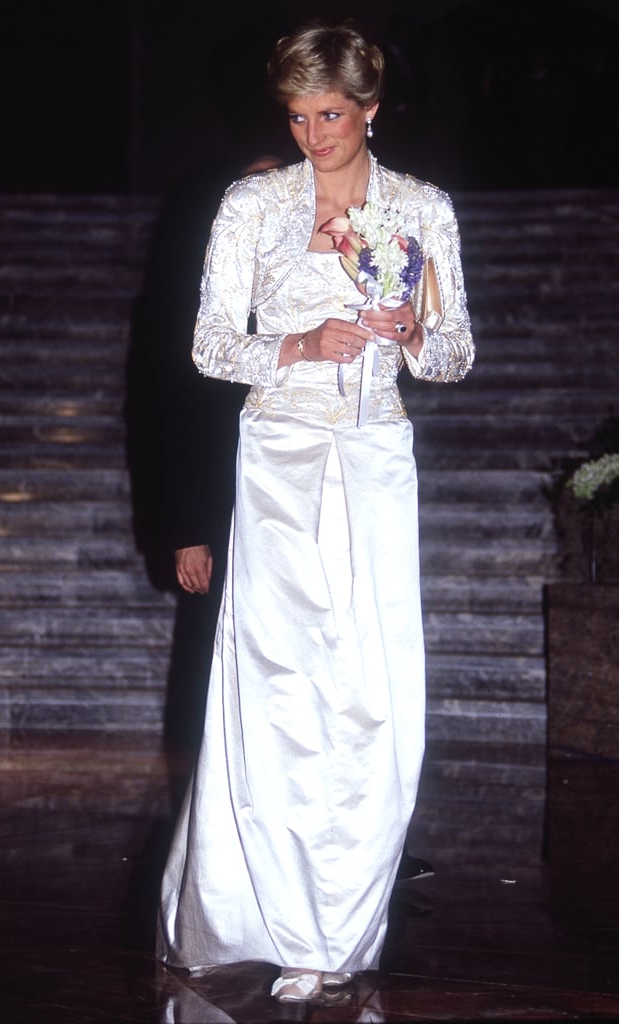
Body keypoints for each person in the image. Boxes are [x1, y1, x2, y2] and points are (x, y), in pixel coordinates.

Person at [156, 17, 474, 1004]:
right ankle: (263, 913)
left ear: (370, 109)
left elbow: (452, 356)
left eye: (330, 114)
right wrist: (299, 342)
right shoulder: (254, 204)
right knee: (278, 685)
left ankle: (340, 923)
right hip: (279, 459)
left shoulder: (418, 209)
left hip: (374, 455)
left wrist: (409, 322)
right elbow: (211, 342)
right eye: (297, 115)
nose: (312, 134)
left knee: (368, 690)